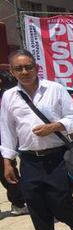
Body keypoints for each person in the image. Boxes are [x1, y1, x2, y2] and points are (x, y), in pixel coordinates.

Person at [0, 50, 73, 230]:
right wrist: (7, 161)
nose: (25, 72)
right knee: (36, 205)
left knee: (60, 201)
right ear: (12, 71)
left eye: (28, 67)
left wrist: (55, 126)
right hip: (29, 160)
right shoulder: (9, 96)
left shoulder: (55, 89)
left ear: (36, 67)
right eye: (19, 68)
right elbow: (7, 130)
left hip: (57, 157)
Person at [0, 69, 27, 216]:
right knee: (10, 176)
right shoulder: (7, 97)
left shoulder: (7, 97)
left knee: (9, 175)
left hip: (4, 144)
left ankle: (18, 203)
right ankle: (18, 203)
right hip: (4, 144)